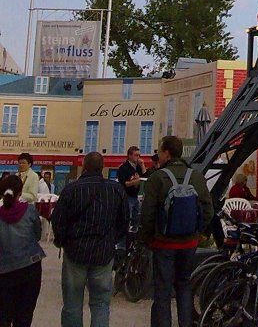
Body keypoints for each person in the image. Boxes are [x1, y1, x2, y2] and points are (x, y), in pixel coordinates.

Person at [139, 134, 214, 327]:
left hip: (163, 242)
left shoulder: (157, 178)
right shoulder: (196, 177)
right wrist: (197, 232)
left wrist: (148, 238)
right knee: (184, 285)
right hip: (188, 242)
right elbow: (208, 210)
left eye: (160, 151)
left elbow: (147, 213)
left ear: (166, 153)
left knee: (163, 290)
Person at [51, 150, 128, 327]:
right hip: (103, 253)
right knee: (101, 304)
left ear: (84, 167)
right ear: (102, 168)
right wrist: (111, 240)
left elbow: (58, 220)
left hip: (75, 251)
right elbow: (124, 220)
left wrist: (62, 241)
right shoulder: (115, 189)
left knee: (72, 304)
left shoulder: (71, 189)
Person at [0, 174, 45, 327]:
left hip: (4, 270)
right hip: (30, 267)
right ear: (20, 192)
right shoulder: (30, 211)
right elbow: (37, 235)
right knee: (24, 316)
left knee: (4, 315)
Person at [116, 145, 144, 236]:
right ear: (129, 155)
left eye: (139, 155)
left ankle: (133, 236)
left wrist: (142, 165)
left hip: (135, 196)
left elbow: (145, 176)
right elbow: (123, 183)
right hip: (127, 196)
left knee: (136, 218)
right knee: (127, 218)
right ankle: (122, 241)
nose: (138, 157)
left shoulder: (138, 167)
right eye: (136, 155)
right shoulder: (124, 168)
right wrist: (135, 182)